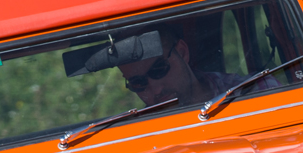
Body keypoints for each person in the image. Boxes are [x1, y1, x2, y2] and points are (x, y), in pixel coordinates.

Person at [117, 23, 278, 107]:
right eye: (138, 83)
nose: (156, 90)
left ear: (182, 52)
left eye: (159, 70)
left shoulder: (257, 93)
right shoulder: (136, 133)